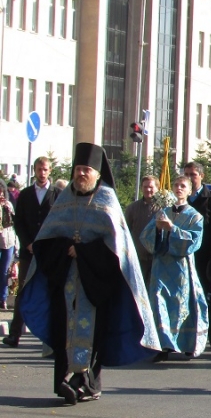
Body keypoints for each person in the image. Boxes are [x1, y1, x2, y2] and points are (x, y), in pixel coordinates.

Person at [19, 143, 159, 404]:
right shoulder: (63, 200)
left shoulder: (107, 200)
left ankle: (87, 384)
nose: (81, 174)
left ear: (97, 173)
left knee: (94, 333)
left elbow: (118, 248)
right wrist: (66, 249)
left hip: (96, 282)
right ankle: (63, 381)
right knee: (63, 331)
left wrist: (83, 252)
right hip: (64, 280)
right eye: (78, 169)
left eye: (87, 170)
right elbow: (45, 241)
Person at [142, 175, 209, 360]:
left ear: (189, 191)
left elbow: (194, 241)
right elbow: (145, 237)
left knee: (181, 305)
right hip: (160, 266)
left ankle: (185, 343)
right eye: (176, 185)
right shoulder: (162, 212)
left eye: (183, 186)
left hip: (181, 268)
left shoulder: (195, 216)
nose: (179, 188)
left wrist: (172, 229)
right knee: (157, 301)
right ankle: (162, 346)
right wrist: (157, 229)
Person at [4, 156, 59, 347]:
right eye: (38, 169)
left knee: (51, 292)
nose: (42, 173)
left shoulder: (57, 194)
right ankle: (14, 334)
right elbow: (18, 222)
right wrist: (27, 243)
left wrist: (48, 245)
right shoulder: (26, 194)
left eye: (45, 169)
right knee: (24, 291)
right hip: (29, 252)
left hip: (50, 253)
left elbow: (60, 224)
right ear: (34, 170)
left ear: (49, 171)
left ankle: (52, 338)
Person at [183, 161, 211, 348]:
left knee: (206, 295)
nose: (190, 178)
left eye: (193, 174)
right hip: (183, 255)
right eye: (186, 174)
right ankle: (187, 336)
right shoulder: (180, 198)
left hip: (205, 255)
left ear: (201, 176)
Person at [124, 175, 161, 286]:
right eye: (145, 187)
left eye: (151, 187)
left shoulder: (164, 207)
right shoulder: (132, 208)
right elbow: (126, 231)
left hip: (158, 257)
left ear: (157, 188)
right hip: (138, 257)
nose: (148, 190)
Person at [0, 185, 16, 310]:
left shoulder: (8, 205)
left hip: (7, 242)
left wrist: (7, 209)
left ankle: (3, 298)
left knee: (5, 271)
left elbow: (11, 223)